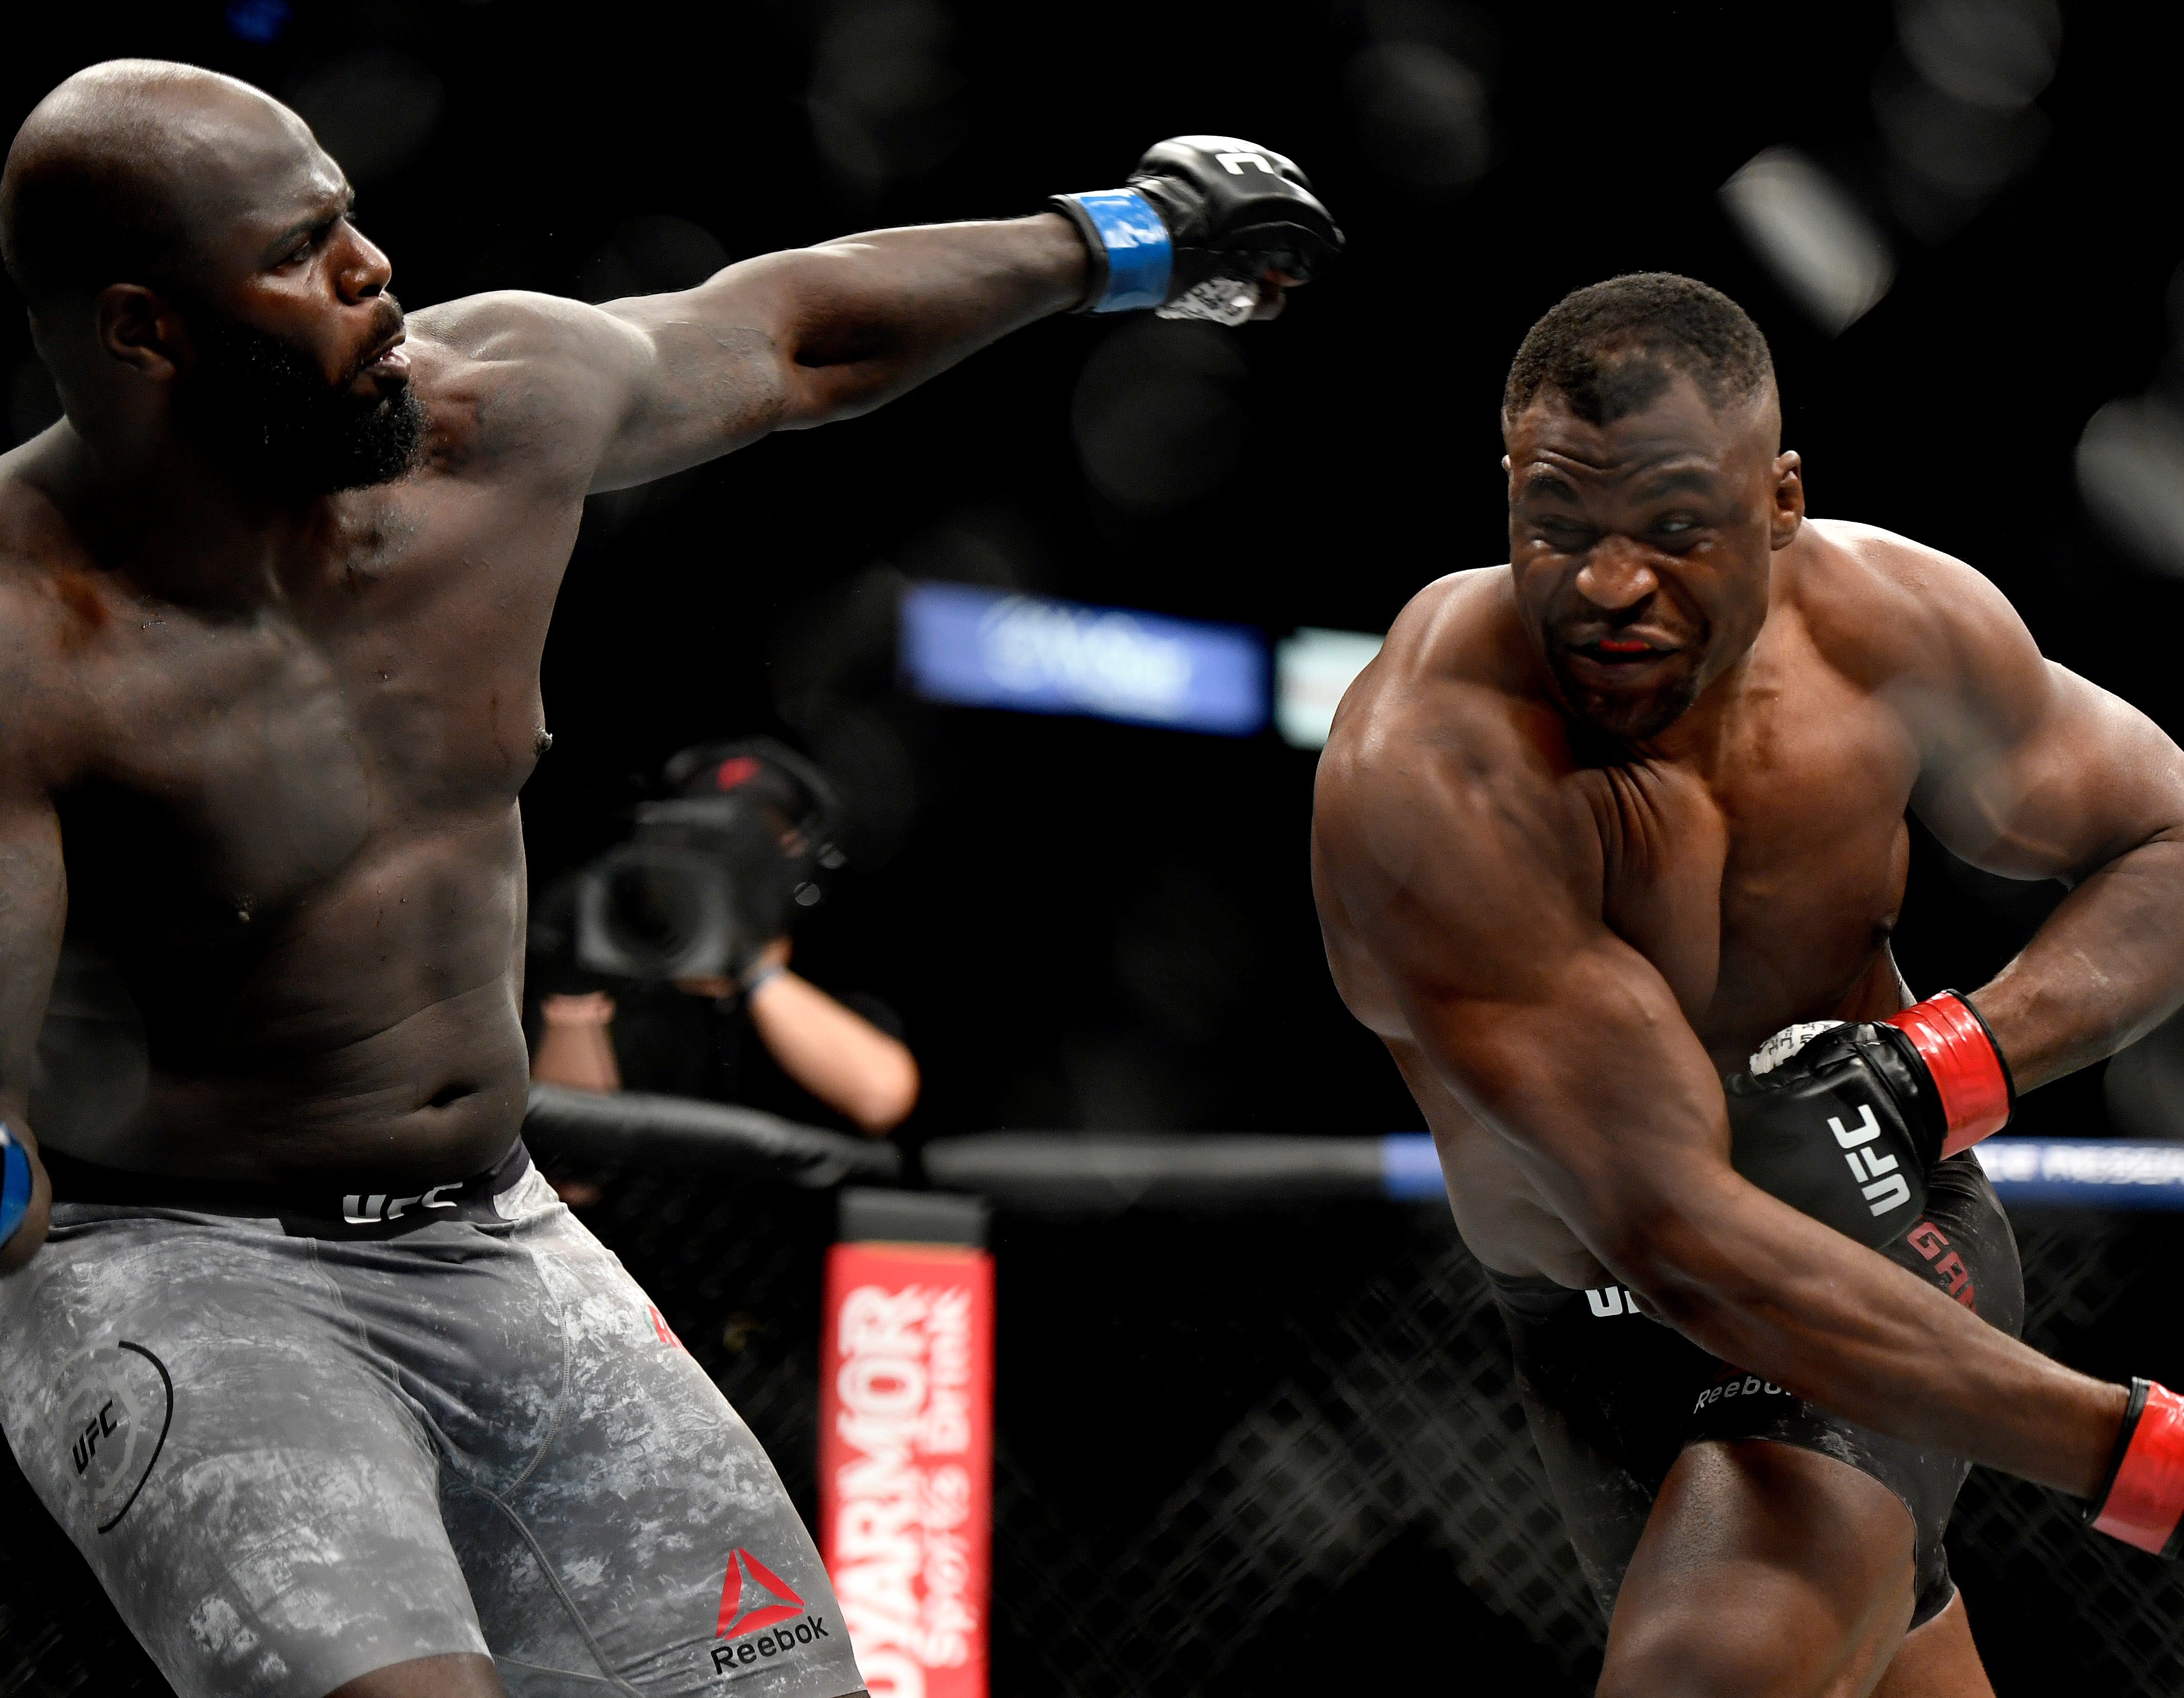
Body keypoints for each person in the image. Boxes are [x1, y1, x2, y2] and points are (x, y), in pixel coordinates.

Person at [0, 59, 1337, 1698]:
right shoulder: (25, 644)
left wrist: (1131, 237)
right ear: (146, 331)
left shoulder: (484, 417)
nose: (374, 272)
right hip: (184, 1263)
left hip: (493, 1233)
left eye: (352, 218)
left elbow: (791, 336)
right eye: (303, 251)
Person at [1310, 274, 2184, 1696]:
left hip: (1878, 1233)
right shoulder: (1435, 766)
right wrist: (2162, 1462)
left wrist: (1934, 1068)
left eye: (1670, 526)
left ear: (1776, 503)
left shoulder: (1889, 629)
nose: (1604, 583)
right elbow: (1676, 1235)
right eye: (1556, 524)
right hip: (1597, 1321)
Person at [531, 739, 920, 1134]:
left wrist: (750, 969)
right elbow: (570, 1169)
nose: (727, 865)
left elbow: (881, 1097)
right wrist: (574, 989)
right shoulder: (624, 966)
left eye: (753, 842)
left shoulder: (834, 971)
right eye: (698, 839)